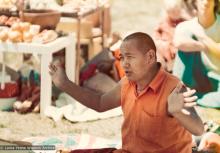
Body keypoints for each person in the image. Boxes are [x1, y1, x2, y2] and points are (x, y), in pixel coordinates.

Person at [49, 32, 204, 153]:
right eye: (122, 58)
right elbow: (100, 103)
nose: (124, 64)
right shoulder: (127, 83)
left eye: (130, 57)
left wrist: (178, 112)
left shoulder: (173, 87)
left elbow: (198, 129)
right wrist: (65, 84)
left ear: (150, 57)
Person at [173, 0, 220, 108]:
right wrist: (202, 46)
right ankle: (176, 91)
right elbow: (178, 42)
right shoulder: (186, 27)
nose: (206, 2)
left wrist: (203, 37)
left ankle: (192, 98)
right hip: (196, 76)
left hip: (217, 77)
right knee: (186, 40)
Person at [154, 0, 197, 72]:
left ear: (180, 10)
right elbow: (156, 32)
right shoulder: (164, 22)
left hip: (176, 46)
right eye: (170, 11)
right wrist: (158, 40)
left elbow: (192, 25)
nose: (173, 14)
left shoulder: (183, 21)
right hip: (165, 45)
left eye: (175, 11)